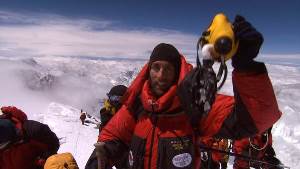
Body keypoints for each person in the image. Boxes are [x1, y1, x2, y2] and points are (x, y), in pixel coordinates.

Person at [97, 15, 282, 169]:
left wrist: (246, 66)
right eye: (156, 67)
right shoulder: (137, 106)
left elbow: (257, 119)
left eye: (168, 69)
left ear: (177, 73)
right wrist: (102, 155)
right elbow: (113, 135)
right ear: (148, 70)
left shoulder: (194, 107)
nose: (161, 75)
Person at [85, 85, 128, 169]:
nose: (114, 101)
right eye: (112, 97)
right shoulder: (106, 115)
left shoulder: (132, 117)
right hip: (112, 150)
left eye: (117, 98)